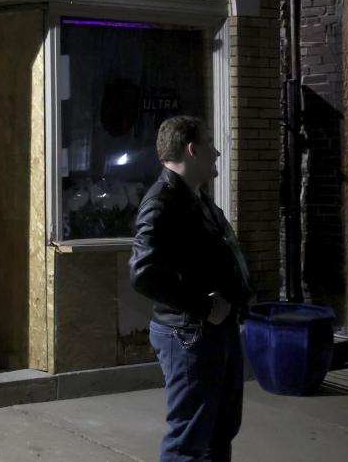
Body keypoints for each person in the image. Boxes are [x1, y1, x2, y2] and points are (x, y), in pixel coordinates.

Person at [130, 115, 252, 462]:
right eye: (210, 144)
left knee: (218, 431)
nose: (216, 152)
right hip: (190, 334)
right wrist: (203, 305)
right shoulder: (162, 203)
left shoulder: (197, 200)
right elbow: (143, 272)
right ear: (192, 149)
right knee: (189, 440)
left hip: (216, 330)